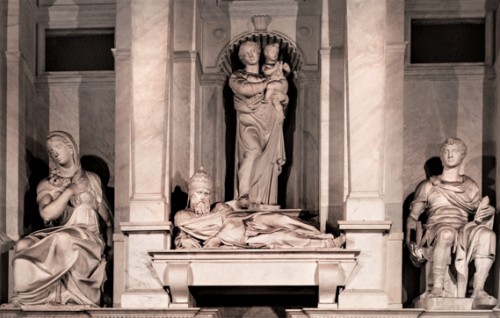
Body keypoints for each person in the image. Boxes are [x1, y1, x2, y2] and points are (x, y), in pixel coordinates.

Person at [8, 131, 113, 307]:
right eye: (50, 150)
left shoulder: (92, 180)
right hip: (57, 231)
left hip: (87, 236)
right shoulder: (48, 183)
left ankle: (68, 296)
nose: (54, 152)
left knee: (64, 240)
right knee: (22, 245)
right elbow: (47, 215)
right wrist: (69, 191)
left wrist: (110, 250)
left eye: (57, 147)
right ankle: (25, 298)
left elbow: (109, 221)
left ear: (71, 148)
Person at [406, 138, 496, 306]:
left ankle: (478, 289)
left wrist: (488, 211)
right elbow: (413, 217)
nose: (450, 155)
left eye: (455, 151)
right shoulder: (428, 185)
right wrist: (411, 243)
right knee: (446, 233)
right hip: (436, 227)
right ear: (441, 157)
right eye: (446, 151)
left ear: (463, 156)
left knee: (487, 235)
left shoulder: (470, 185)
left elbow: (478, 211)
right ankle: (437, 287)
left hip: (464, 228)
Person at [174, 167, 344, 249]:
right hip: (239, 241)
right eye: (198, 193)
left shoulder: (219, 206)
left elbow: (232, 220)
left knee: (280, 219)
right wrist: (183, 241)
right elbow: (181, 236)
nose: (202, 197)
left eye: (205, 193)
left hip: (247, 224)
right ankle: (326, 244)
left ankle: (318, 233)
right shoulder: (182, 216)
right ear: (190, 195)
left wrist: (218, 237)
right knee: (280, 237)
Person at [229, 41, 287, 209]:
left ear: (259, 52)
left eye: (253, 50)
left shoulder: (267, 76)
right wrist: (267, 84)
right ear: (242, 58)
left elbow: (283, 96)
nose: (251, 54)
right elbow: (245, 89)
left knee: (268, 160)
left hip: (270, 121)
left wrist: (281, 98)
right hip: (249, 121)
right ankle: (244, 194)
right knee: (252, 151)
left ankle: (264, 200)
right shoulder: (236, 76)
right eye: (247, 53)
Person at [261, 43, 291, 119]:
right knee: (275, 99)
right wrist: (275, 68)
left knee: (270, 85)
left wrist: (288, 70)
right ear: (266, 53)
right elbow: (267, 72)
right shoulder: (265, 66)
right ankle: (281, 114)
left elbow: (285, 75)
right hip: (275, 88)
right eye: (273, 52)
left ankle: (265, 100)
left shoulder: (279, 64)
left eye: (276, 53)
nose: (275, 54)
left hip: (282, 83)